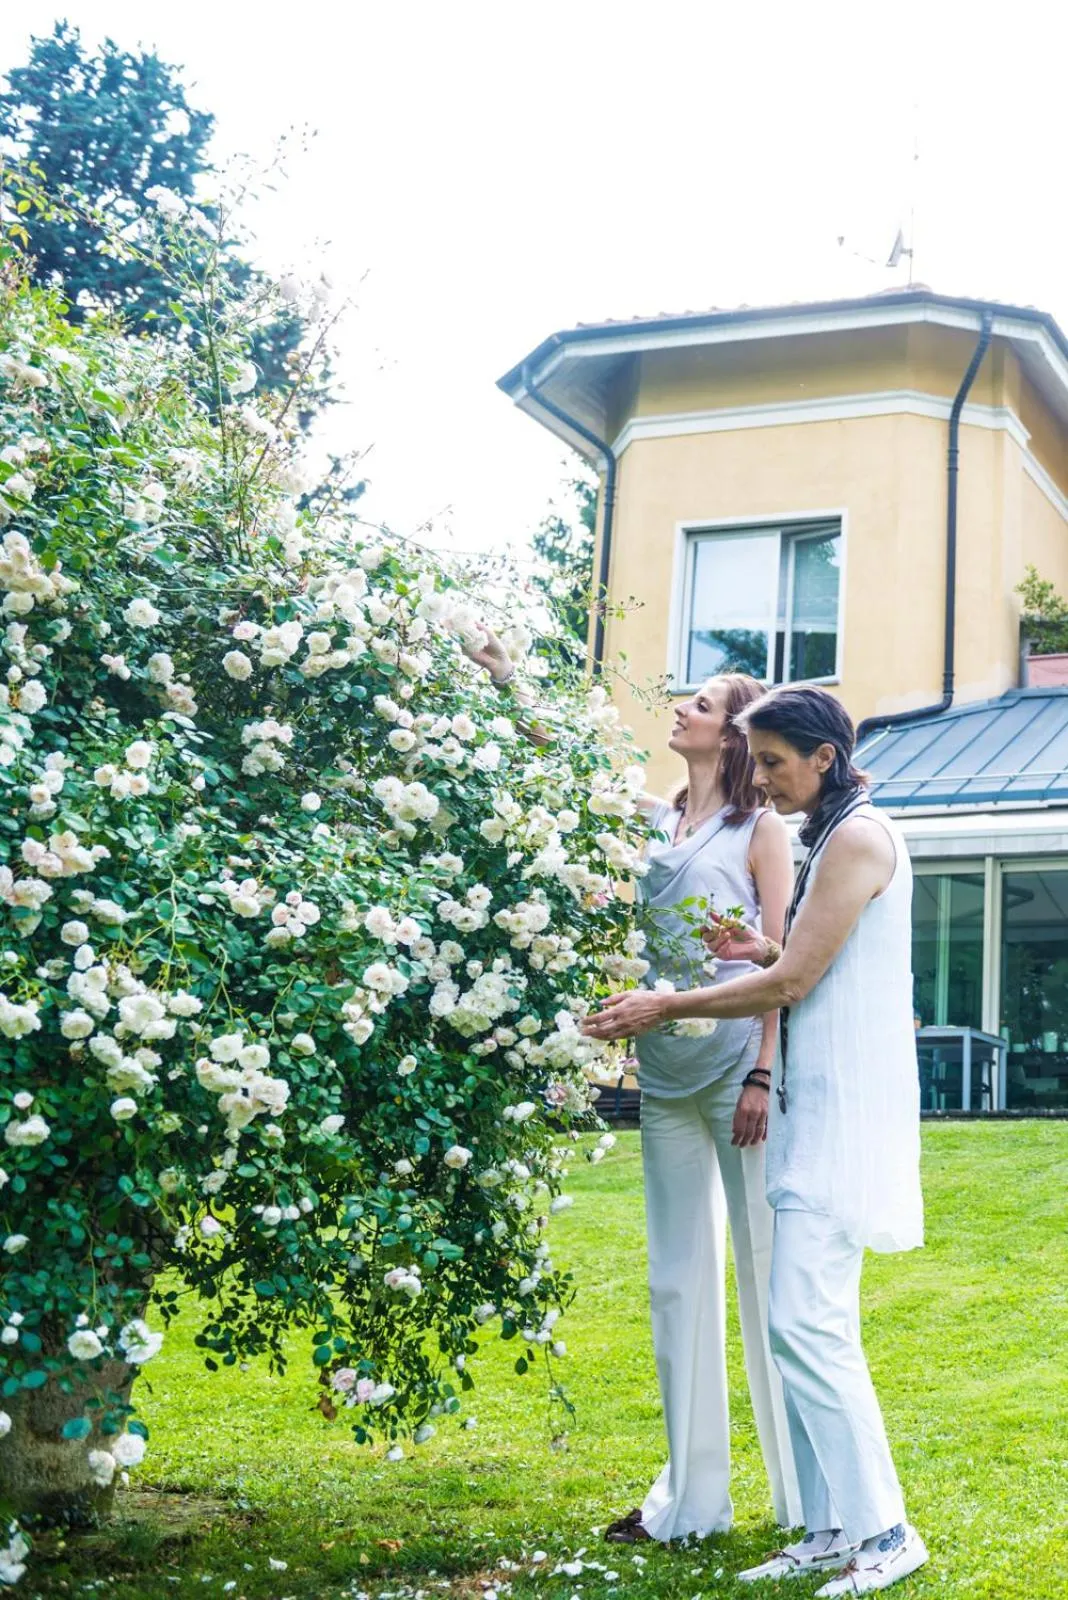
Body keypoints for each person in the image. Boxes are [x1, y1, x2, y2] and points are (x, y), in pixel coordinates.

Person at [582, 686, 928, 1597]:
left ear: (823, 756)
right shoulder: (831, 834)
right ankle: (825, 1529)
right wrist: (754, 949)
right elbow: (794, 964)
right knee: (793, 1329)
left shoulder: (857, 838)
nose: (763, 777)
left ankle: (886, 1532)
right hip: (813, 1110)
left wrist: (669, 1002)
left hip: (839, 1114)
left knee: (808, 1325)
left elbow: (795, 984)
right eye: (758, 760)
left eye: (775, 760)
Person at [463, 630, 800, 1544]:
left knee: (771, 1285)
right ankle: (691, 1505)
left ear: (730, 736)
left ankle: (806, 1500)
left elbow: (781, 962)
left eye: (700, 704)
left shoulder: (760, 830)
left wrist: (765, 1070)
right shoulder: (661, 823)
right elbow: (574, 777)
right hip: (668, 1077)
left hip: (742, 1075)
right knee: (676, 1284)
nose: (681, 709)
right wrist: (507, 682)